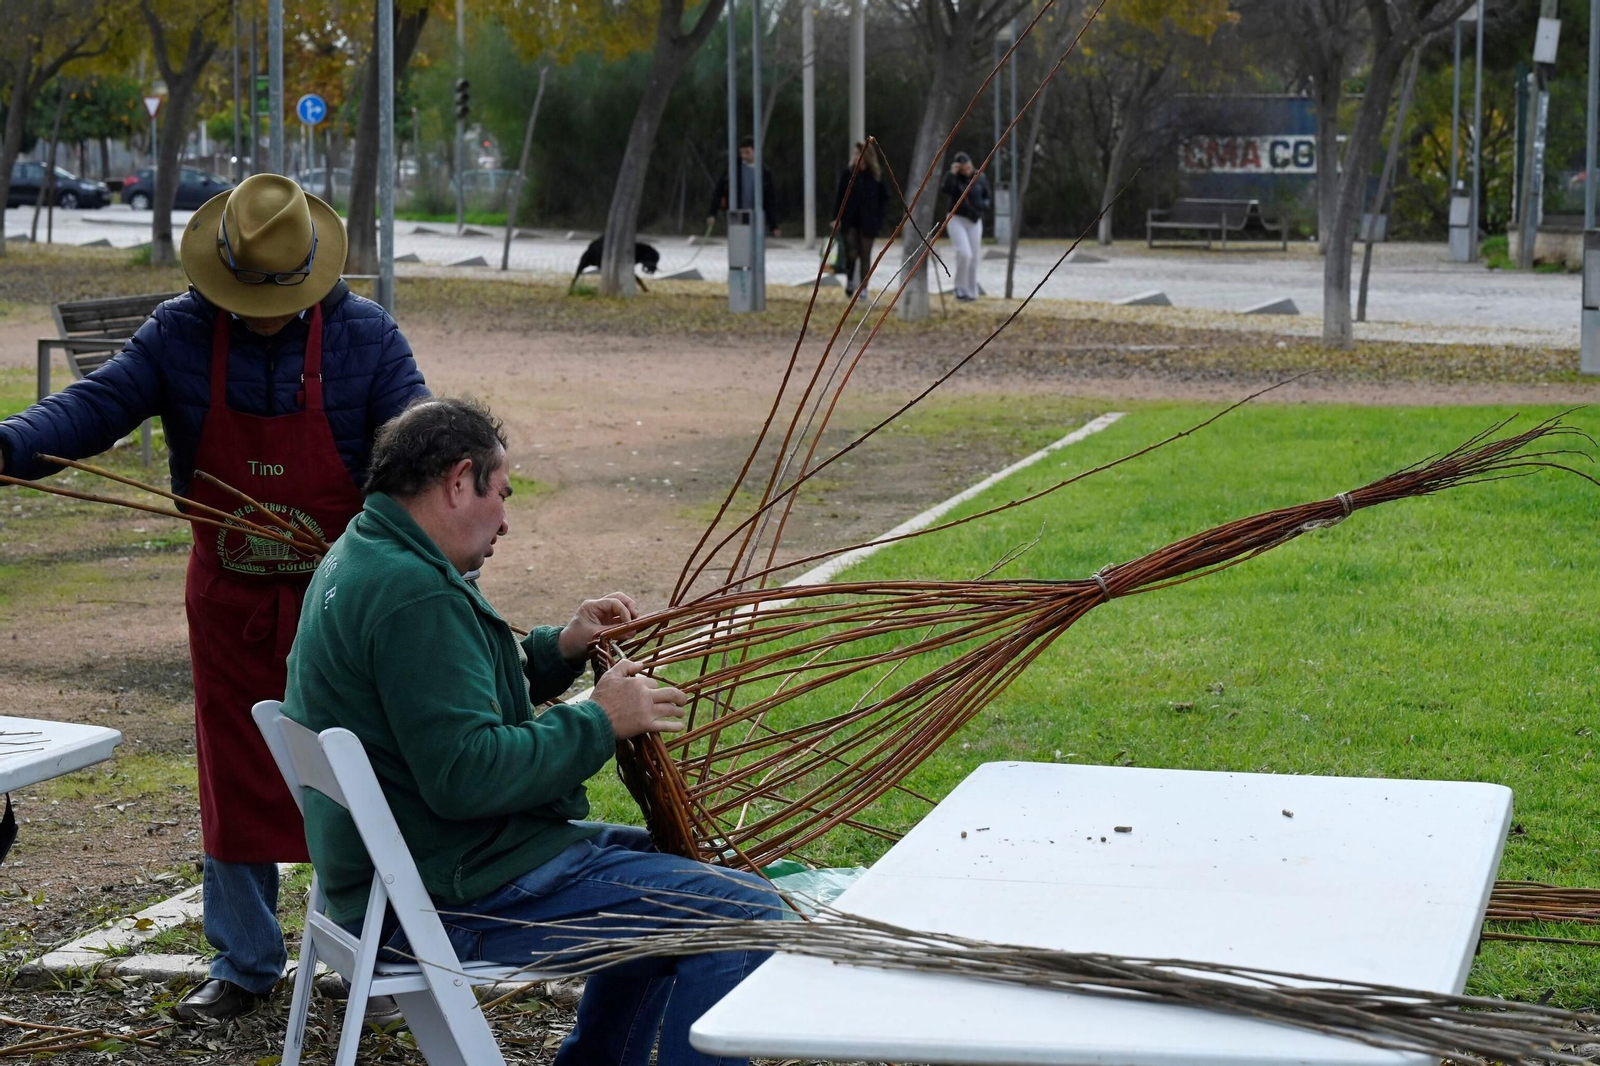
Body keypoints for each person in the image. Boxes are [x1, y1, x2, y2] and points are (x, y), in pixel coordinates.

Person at [0, 174, 429, 1020]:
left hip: (342, 602)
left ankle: (378, 954)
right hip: (230, 597)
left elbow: (413, 441)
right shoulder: (180, 332)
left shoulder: (368, 338)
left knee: (358, 766)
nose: (256, 311)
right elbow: (97, 406)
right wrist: (11, 444)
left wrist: (455, 486)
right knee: (232, 769)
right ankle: (244, 961)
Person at [282, 397, 781, 1066]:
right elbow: (466, 774)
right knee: (738, 915)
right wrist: (598, 719)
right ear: (459, 482)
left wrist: (562, 649)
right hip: (443, 896)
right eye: (502, 493)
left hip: (402, 878)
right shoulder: (414, 593)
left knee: (676, 870)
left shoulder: (363, 554)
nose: (507, 522)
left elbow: (445, 693)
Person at [832, 141, 889, 298]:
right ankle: (850, 280)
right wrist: (836, 217)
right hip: (850, 220)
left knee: (865, 255)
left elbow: (884, 199)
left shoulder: (876, 176)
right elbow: (839, 196)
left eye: (859, 153)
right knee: (852, 252)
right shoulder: (848, 174)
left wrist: (880, 218)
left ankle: (864, 288)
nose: (856, 157)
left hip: (868, 221)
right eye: (854, 154)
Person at [940, 151, 991, 302]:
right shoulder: (955, 178)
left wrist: (983, 206)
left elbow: (987, 196)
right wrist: (952, 173)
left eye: (968, 167)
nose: (967, 170)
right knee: (964, 253)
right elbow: (946, 189)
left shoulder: (980, 177)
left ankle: (971, 290)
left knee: (974, 257)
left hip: (975, 219)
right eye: (963, 168)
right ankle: (959, 287)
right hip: (956, 218)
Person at [708, 134, 782, 238]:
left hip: (755, 216)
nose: (744, 156)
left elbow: (770, 200)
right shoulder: (734, 168)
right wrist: (712, 213)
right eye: (742, 152)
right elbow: (719, 190)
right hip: (737, 214)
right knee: (738, 243)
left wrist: (774, 225)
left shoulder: (764, 172)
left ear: (755, 151)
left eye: (747, 152)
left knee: (754, 243)